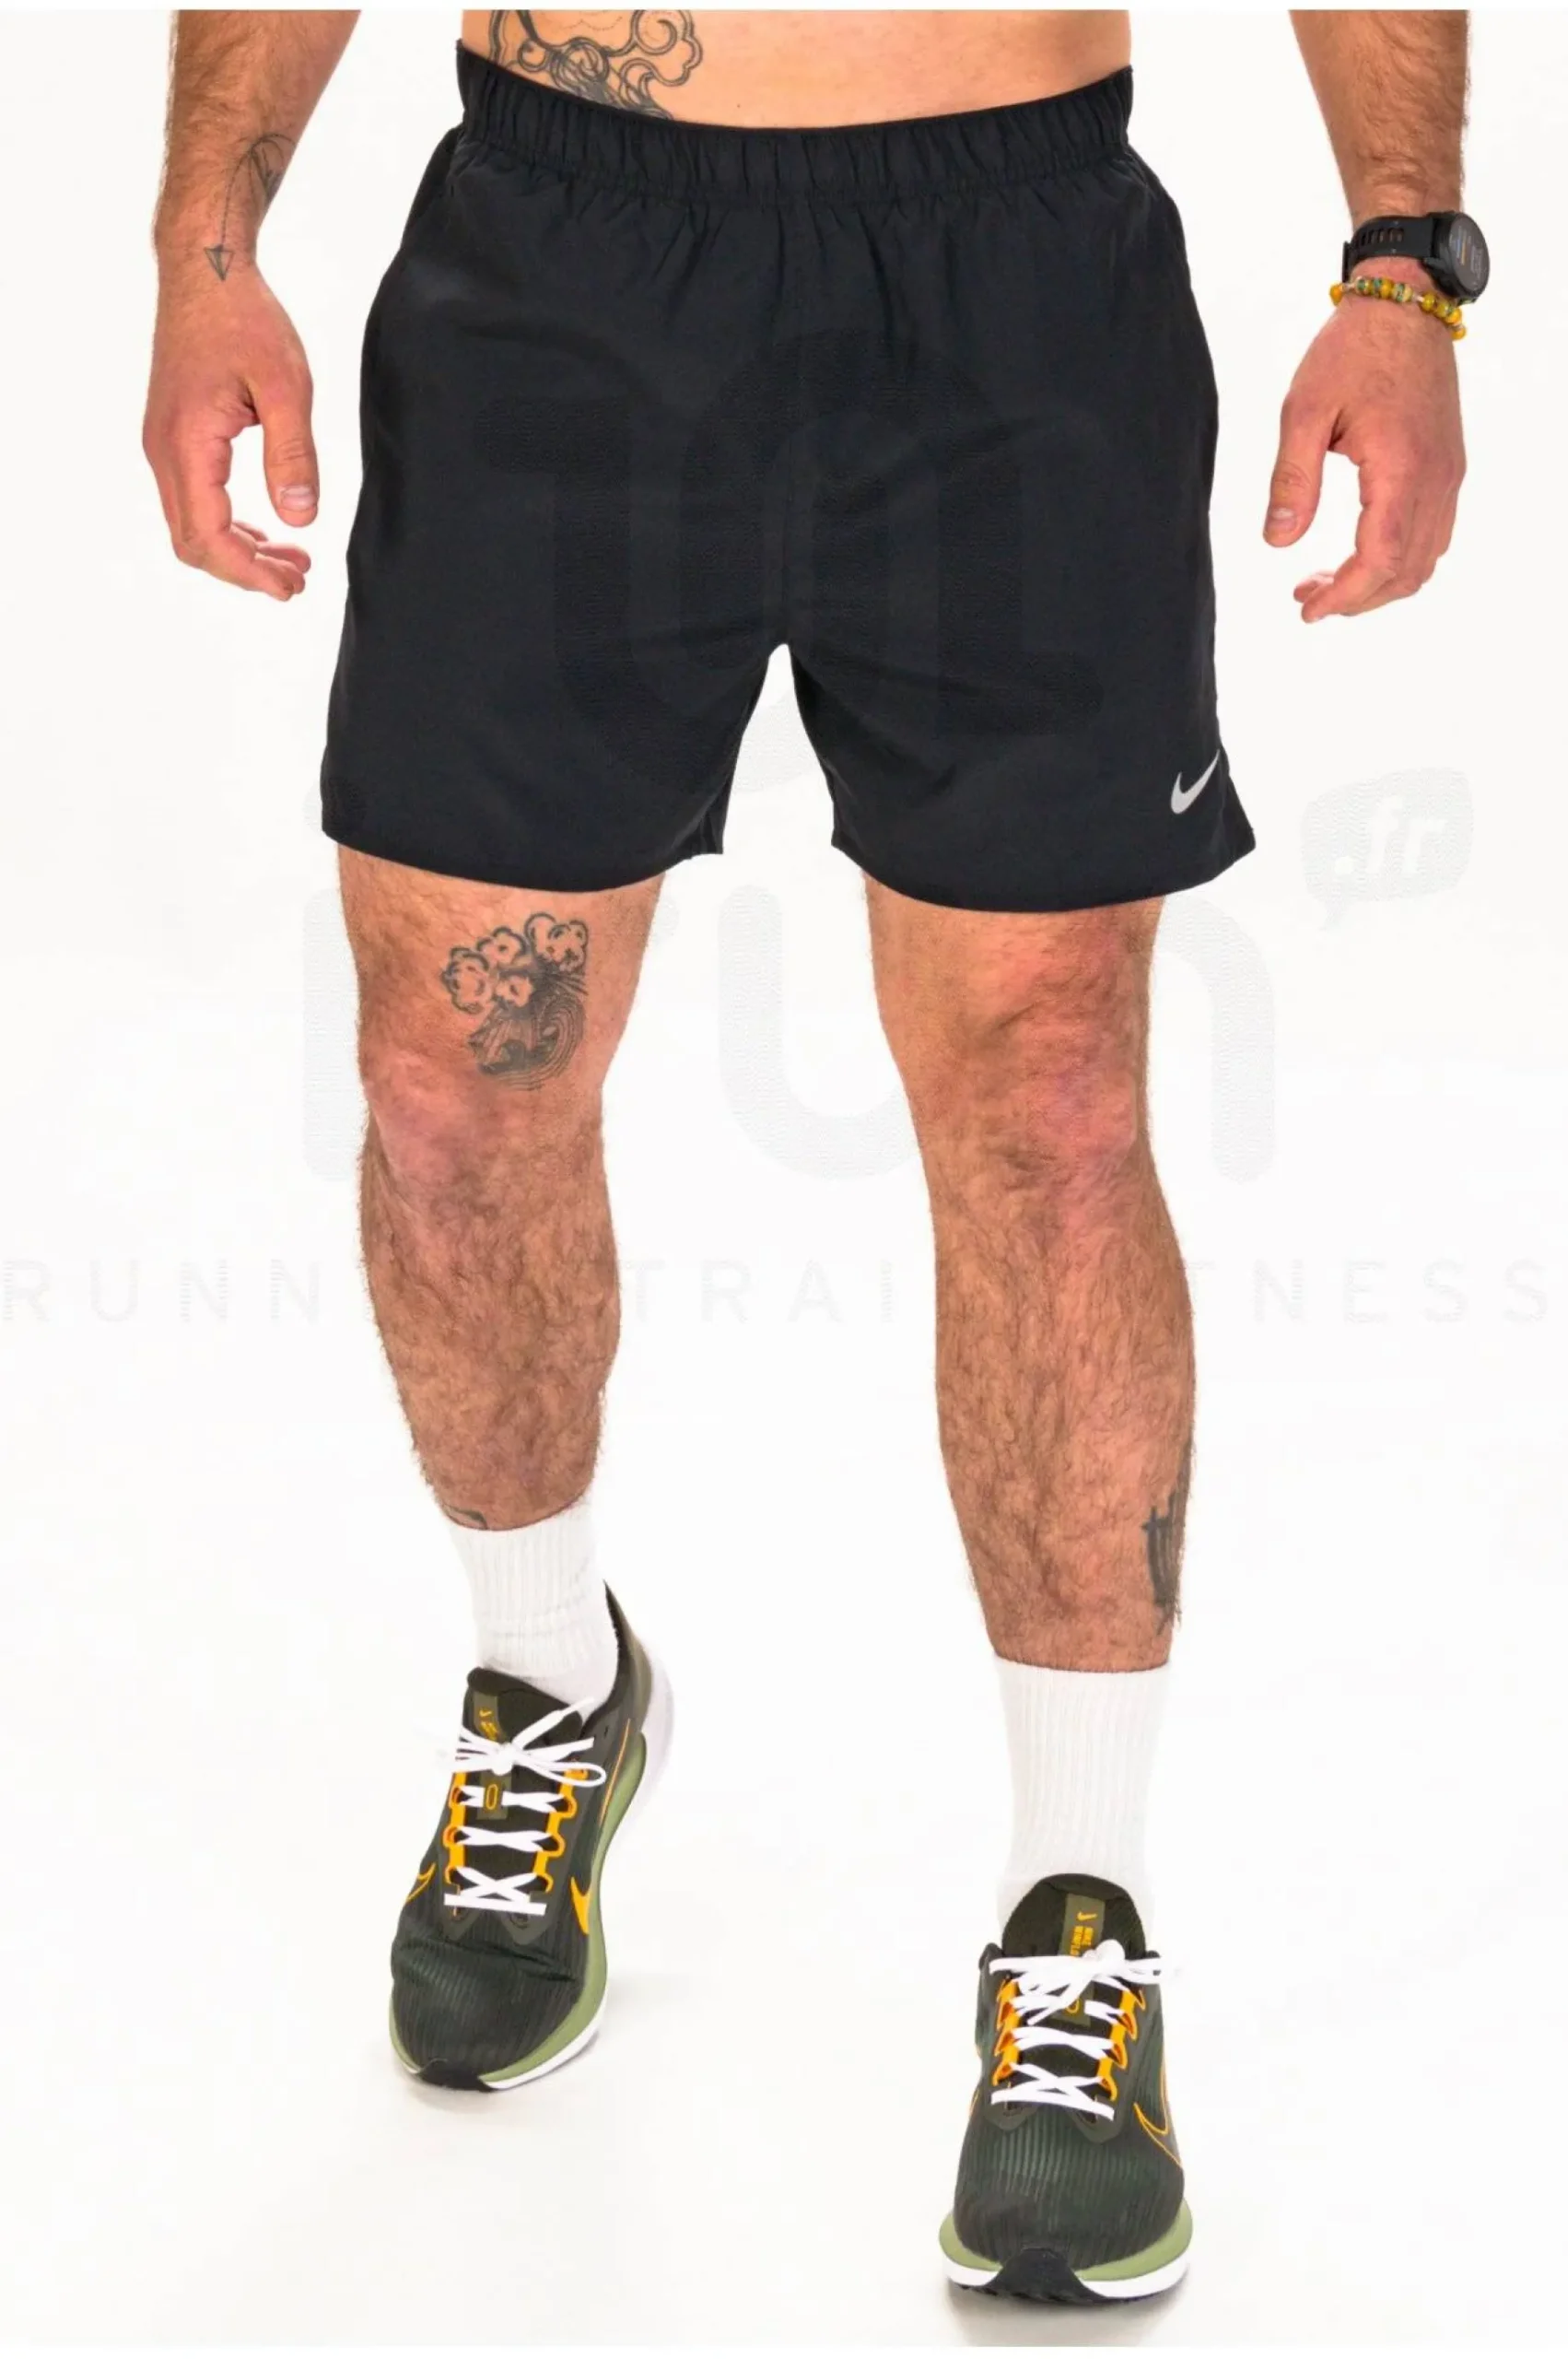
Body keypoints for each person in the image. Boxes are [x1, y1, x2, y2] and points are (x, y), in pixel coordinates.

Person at [143, 7, 1481, 2306]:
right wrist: (204, 245)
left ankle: (1076, 1926)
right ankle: (546, 1684)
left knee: (1050, 1104)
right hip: (558, 262)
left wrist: (1401, 270)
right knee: (451, 1089)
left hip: (1008, 281)